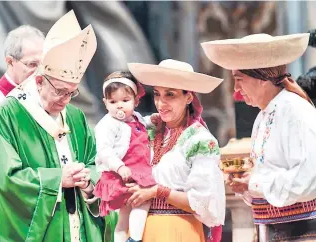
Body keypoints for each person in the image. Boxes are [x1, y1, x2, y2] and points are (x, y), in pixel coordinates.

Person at [0, 10, 115, 242]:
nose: (66, 100)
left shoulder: (76, 118)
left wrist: (89, 181)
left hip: (78, 228)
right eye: (60, 91)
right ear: (39, 81)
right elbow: (2, 179)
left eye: (72, 92)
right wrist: (58, 179)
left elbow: (98, 165)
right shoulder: (7, 117)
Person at [201, 33, 316, 241]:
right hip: (270, 229)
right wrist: (246, 183)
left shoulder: (295, 112)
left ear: (262, 79)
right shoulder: (263, 117)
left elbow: (309, 179)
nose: (235, 89)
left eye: (239, 80)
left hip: (300, 233)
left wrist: (255, 184)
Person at [125, 59, 226, 242]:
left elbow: (204, 204)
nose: (161, 103)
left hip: (178, 231)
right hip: (138, 230)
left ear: (189, 97)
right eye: (157, 94)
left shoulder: (200, 140)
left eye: (170, 95)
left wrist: (158, 191)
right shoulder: (146, 130)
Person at [0, 25, 44, 200]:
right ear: (10, 61)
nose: (40, 72)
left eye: (44, 64)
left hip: (42, 197)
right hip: (0, 196)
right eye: (32, 64)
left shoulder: (49, 103)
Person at [93, 71, 157, 242]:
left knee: (127, 211)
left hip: (138, 169)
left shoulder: (135, 118)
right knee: (139, 202)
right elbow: (104, 151)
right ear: (105, 103)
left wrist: (153, 119)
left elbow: (143, 122)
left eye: (125, 101)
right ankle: (134, 239)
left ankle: (129, 238)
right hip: (122, 172)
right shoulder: (107, 124)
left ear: (136, 101)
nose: (119, 106)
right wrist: (119, 167)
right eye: (113, 101)